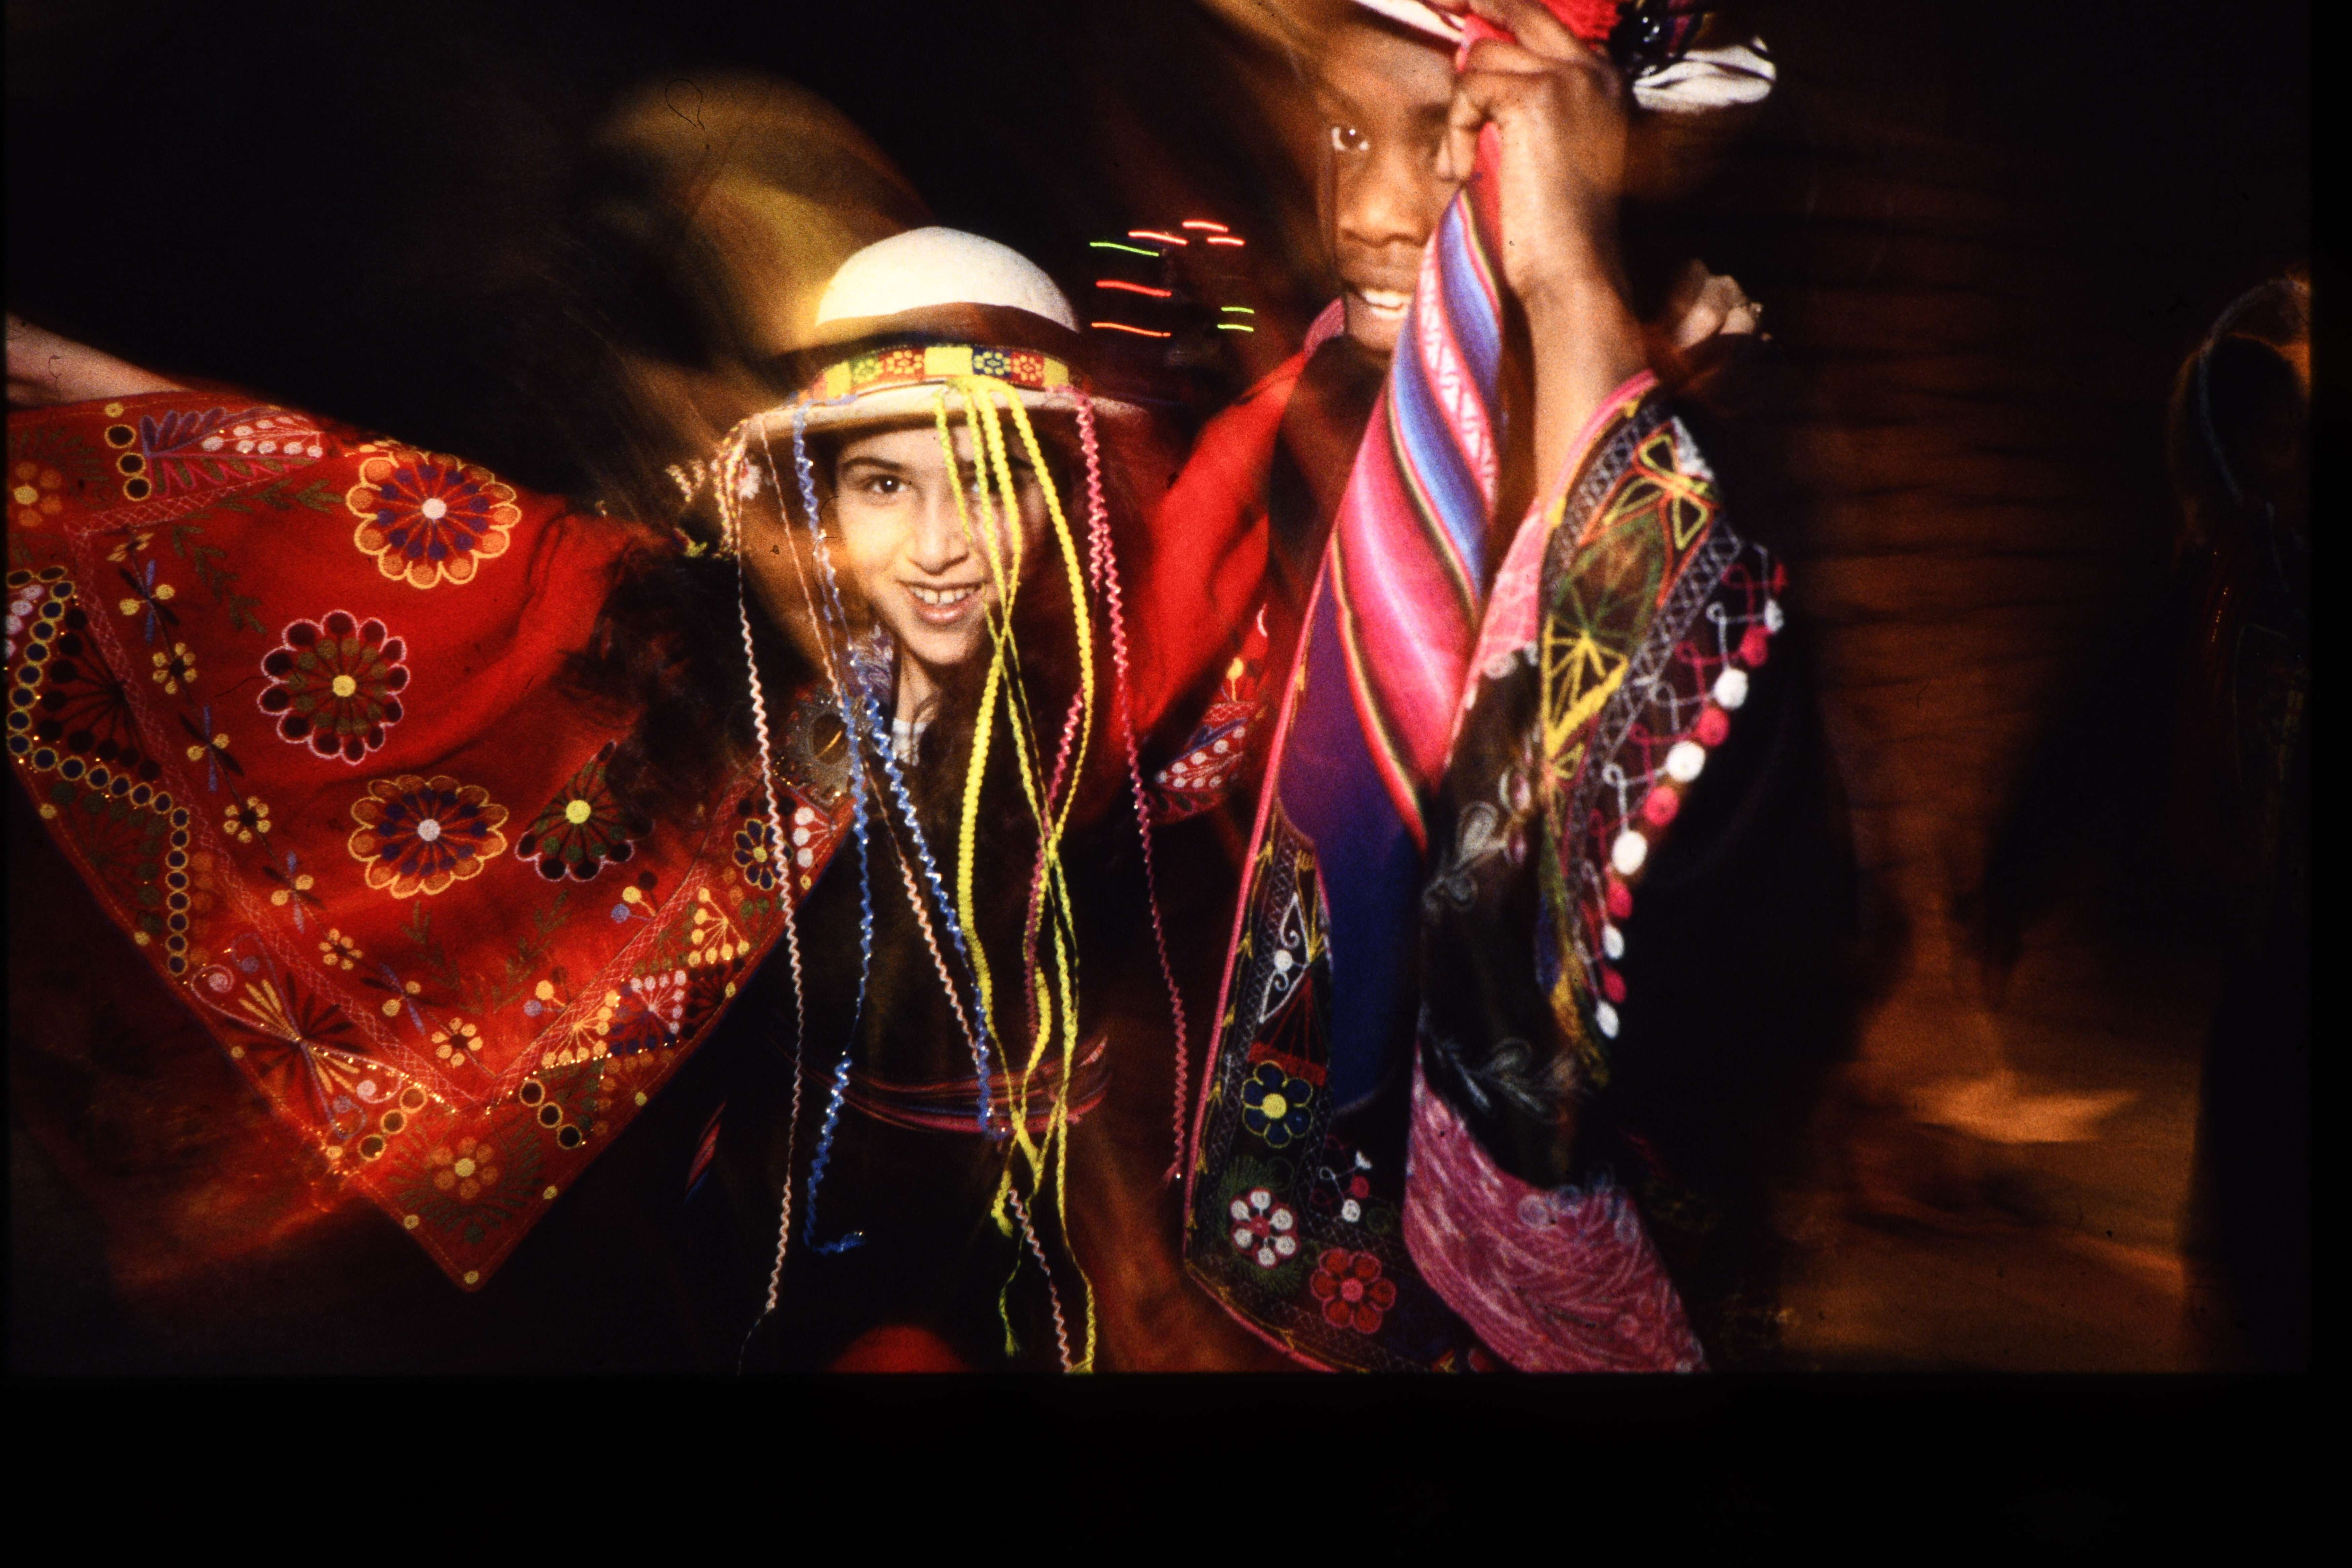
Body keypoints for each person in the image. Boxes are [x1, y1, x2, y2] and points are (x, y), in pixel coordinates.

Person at [1125, 0, 1837, 1370]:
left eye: (1453, 141)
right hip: (1279, 1245)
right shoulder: (1286, 430)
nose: (1370, 213)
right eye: (1344, 135)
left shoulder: (1696, 444)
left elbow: (1637, 815)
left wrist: (1574, 288)